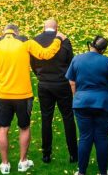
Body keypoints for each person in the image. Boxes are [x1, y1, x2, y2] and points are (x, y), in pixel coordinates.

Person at [0, 23, 65, 174]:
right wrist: (58, 39)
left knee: (3, 129)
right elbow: (46, 54)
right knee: (24, 127)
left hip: (3, 94)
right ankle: (23, 162)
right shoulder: (26, 43)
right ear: (17, 33)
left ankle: (5, 164)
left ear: (4, 32)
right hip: (23, 95)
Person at [65, 36, 108, 175]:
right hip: (104, 103)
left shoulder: (77, 59)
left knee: (85, 137)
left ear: (91, 45)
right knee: (101, 137)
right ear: (103, 49)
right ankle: (103, 172)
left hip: (82, 102)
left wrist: (77, 96)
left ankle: (81, 171)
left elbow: (72, 82)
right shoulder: (106, 61)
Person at [31, 19, 77, 164]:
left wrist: (40, 74)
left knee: (46, 118)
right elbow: (71, 63)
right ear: (57, 28)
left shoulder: (36, 41)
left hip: (44, 83)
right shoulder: (64, 41)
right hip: (62, 83)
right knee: (68, 117)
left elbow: (32, 63)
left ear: (44, 27)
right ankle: (73, 154)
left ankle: (46, 154)